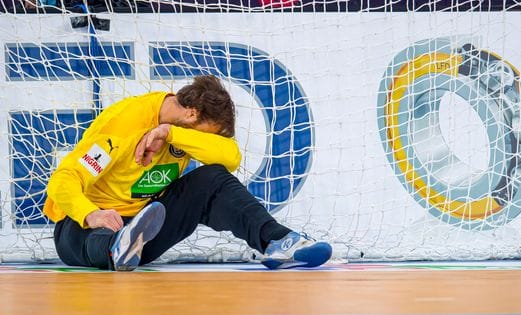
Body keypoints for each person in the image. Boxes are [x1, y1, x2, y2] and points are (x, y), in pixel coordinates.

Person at [44, 75, 332, 271]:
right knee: (99, 233)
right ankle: (117, 248)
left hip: (144, 230)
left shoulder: (176, 130)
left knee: (213, 178)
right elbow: (63, 180)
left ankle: (278, 243)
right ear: (192, 114)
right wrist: (92, 214)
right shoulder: (123, 125)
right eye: (209, 134)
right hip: (82, 228)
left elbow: (229, 157)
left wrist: (169, 133)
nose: (204, 143)